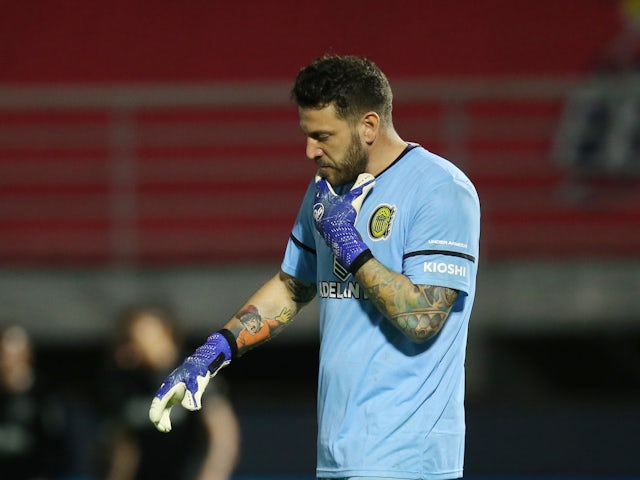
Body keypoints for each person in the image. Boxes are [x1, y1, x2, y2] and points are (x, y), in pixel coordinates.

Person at [149, 54, 481, 480]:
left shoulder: (440, 190)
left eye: (322, 136)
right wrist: (212, 353)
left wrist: (350, 245)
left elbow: (422, 318)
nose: (309, 151)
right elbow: (292, 286)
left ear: (369, 126)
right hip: (339, 456)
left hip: (408, 461)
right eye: (306, 135)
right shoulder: (326, 189)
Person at [103, 304, 240, 480]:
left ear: (164, 334)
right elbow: (125, 447)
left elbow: (223, 436)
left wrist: (211, 476)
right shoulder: (130, 382)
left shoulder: (195, 374)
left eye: (139, 335)